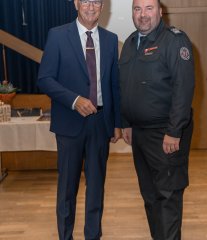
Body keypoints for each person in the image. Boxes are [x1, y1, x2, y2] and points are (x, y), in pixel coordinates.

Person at [37, 0, 121, 239]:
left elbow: (114, 84)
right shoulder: (57, 36)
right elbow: (45, 78)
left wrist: (117, 122)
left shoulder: (110, 39)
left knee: (96, 188)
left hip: (100, 123)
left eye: (96, 1)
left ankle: (93, 235)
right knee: (67, 190)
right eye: (86, 1)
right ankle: (66, 236)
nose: (91, 6)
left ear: (103, 6)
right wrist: (74, 100)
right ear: (76, 3)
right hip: (69, 123)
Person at [119, 0, 195, 239]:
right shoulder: (131, 42)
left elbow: (183, 89)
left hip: (165, 133)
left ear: (160, 12)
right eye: (137, 9)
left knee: (168, 195)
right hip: (140, 133)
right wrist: (127, 123)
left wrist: (174, 131)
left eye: (149, 8)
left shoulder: (174, 41)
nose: (142, 15)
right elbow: (126, 86)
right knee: (150, 196)